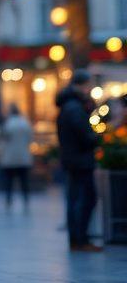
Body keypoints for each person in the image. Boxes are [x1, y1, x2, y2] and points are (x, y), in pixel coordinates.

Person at [56, 69, 104, 252]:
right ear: (83, 84)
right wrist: (102, 135)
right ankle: (80, 239)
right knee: (83, 198)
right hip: (79, 159)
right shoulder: (74, 107)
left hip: (73, 159)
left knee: (76, 198)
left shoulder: (71, 105)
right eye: (90, 84)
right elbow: (85, 135)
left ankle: (78, 238)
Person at [0, 102, 33, 209]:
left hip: (9, 157)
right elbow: (29, 138)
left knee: (9, 181)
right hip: (23, 156)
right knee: (24, 180)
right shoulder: (25, 123)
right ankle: (25, 199)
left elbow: (0, 137)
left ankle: (9, 199)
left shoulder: (7, 123)